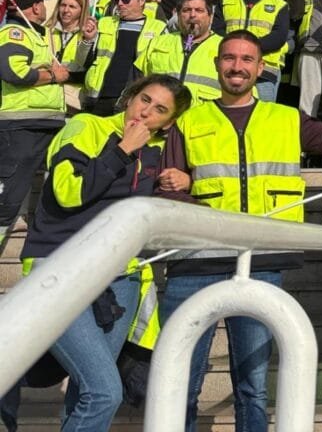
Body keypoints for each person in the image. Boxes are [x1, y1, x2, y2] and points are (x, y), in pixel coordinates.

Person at [157, 30, 322, 432]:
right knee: (179, 382)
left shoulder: (287, 118)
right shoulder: (189, 120)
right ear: (216, 64)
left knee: (252, 387)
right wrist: (186, 191)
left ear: (260, 68)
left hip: (263, 259)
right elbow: (165, 189)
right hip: (195, 262)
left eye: (247, 60)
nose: (237, 67)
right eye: (229, 58)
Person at [15, 75, 192, 431]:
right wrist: (121, 148)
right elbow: (68, 193)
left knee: (85, 390)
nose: (145, 113)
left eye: (159, 110)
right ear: (129, 97)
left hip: (120, 279)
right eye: (144, 99)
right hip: (61, 271)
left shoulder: (155, 151)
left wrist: (186, 180)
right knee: (104, 391)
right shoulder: (86, 126)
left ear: (168, 123)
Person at [0, 0, 68, 253]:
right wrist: (53, 76)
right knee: (7, 196)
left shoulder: (35, 35)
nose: (44, 8)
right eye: (42, 2)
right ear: (35, 7)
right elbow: (12, 71)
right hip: (21, 124)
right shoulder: (15, 33)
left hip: (40, 123)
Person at [81, 0, 166, 116]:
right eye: (117, 0)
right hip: (98, 98)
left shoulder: (159, 29)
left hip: (133, 101)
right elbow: (82, 61)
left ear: (142, 1)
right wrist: (87, 40)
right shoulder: (104, 23)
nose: (120, 4)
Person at [222, 0, 291, 101]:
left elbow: (278, 37)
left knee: (261, 119)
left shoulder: (280, 5)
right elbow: (217, 33)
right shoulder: (226, 2)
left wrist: (247, 49)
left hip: (264, 73)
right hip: (229, 70)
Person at [136, 0, 223, 103]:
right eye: (186, 10)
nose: (192, 15)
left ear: (210, 17)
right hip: (159, 115)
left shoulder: (224, 46)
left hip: (203, 117)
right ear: (178, 15)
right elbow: (135, 82)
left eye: (199, 10)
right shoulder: (158, 42)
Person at [44, 0, 90, 111]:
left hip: (72, 102)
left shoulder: (87, 35)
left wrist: (65, 75)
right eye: (63, 5)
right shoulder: (46, 31)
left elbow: (90, 72)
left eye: (72, 7)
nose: (66, 10)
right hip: (44, 98)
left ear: (82, 10)